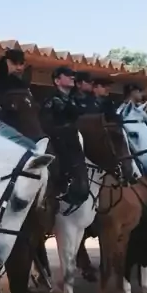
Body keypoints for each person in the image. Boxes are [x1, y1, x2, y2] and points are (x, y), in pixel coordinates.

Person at [41, 66, 88, 205]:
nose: (72, 77)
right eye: (67, 75)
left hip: (73, 140)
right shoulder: (50, 99)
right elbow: (45, 124)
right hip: (56, 142)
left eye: (72, 75)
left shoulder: (73, 99)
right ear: (57, 81)